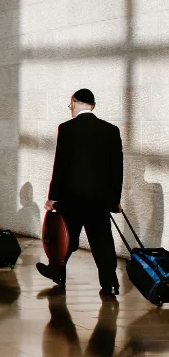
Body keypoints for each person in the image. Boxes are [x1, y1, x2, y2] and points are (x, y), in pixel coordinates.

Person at [37, 89, 124, 297]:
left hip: (72, 198)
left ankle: (57, 272)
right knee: (102, 241)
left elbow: (61, 166)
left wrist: (52, 197)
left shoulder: (67, 129)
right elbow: (117, 169)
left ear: (74, 102)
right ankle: (110, 284)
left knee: (65, 238)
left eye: (71, 106)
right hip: (98, 200)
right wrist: (114, 200)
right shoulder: (110, 130)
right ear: (92, 105)